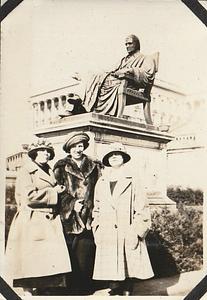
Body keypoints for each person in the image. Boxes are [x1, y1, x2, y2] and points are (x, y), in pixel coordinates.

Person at [5, 138, 71, 296]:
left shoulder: (48, 170)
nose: (46, 154)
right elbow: (29, 197)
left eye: (48, 152)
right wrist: (55, 192)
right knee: (31, 259)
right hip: (32, 220)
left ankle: (42, 289)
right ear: (34, 154)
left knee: (45, 260)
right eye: (42, 151)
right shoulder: (26, 171)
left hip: (47, 220)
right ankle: (29, 291)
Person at [92, 142, 154, 295]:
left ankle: (126, 289)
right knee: (112, 269)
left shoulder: (133, 179)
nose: (113, 157)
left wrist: (137, 230)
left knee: (126, 266)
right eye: (110, 155)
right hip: (107, 231)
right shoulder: (102, 181)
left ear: (124, 158)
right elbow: (97, 207)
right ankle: (115, 288)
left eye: (117, 154)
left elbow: (142, 207)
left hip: (127, 229)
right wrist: (97, 228)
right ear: (106, 160)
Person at [53, 132, 102, 295]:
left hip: (90, 214)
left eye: (80, 146)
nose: (77, 149)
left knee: (86, 252)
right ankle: (68, 289)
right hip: (69, 216)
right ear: (69, 148)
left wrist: (95, 207)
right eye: (74, 146)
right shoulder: (61, 166)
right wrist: (72, 204)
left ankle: (85, 288)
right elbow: (57, 192)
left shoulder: (95, 165)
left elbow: (100, 188)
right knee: (70, 252)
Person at [82, 34, 156, 117]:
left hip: (129, 84)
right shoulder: (123, 59)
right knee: (95, 76)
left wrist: (131, 70)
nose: (127, 46)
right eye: (126, 44)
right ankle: (83, 105)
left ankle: (95, 110)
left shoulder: (146, 58)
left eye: (130, 43)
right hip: (115, 80)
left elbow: (148, 76)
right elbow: (113, 70)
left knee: (103, 82)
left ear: (137, 44)